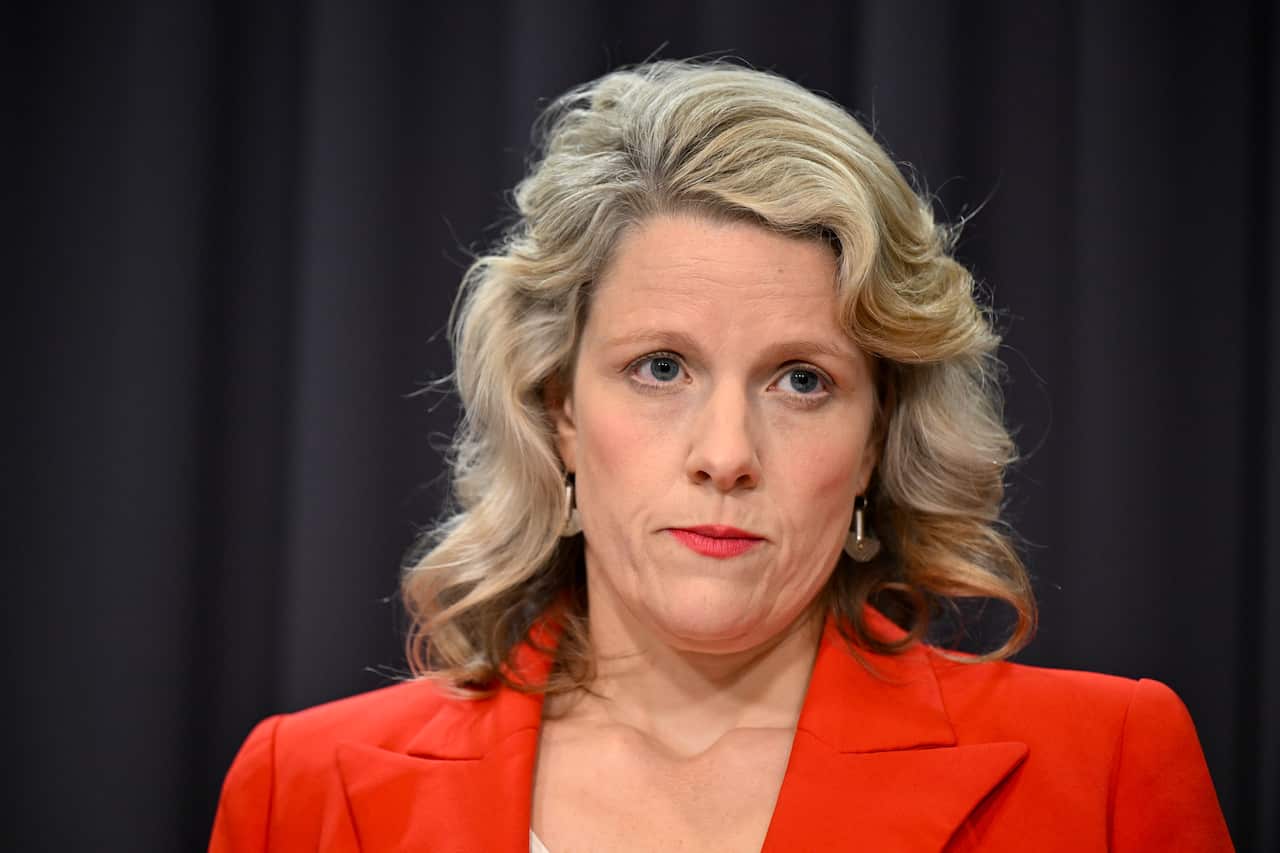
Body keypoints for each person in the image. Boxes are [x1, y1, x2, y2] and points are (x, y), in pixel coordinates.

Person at [209, 59, 1232, 852]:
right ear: (559, 409)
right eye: (660, 366)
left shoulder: (1100, 765)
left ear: (875, 438)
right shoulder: (302, 783)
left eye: (801, 379)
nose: (726, 454)